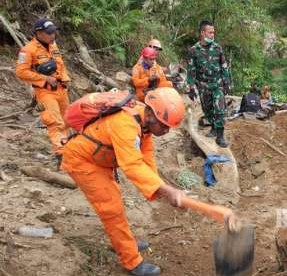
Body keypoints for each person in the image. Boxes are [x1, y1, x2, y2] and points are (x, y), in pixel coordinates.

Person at [61, 88, 186, 276]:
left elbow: (146, 154)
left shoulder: (144, 119)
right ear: (151, 114)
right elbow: (133, 165)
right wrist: (166, 190)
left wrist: (159, 186)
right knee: (111, 209)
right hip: (83, 161)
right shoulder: (125, 124)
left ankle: (124, 243)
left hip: (100, 161)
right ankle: (131, 262)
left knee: (115, 205)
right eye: (164, 126)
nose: (166, 131)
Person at [16, 18, 71, 164]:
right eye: (49, 33)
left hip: (61, 90)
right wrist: (44, 78)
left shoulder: (54, 47)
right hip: (45, 92)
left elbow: (61, 65)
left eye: (54, 32)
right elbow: (21, 72)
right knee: (54, 123)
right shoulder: (28, 50)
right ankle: (61, 155)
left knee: (66, 121)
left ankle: (67, 149)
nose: (53, 36)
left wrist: (65, 78)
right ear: (39, 33)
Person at [187, 20, 232, 148]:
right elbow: (191, 70)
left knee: (219, 109)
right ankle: (213, 127)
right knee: (208, 110)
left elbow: (224, 66)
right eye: (210, 32)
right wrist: (191, 87)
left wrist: (227, 82)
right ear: (202, 33)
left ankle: (220, 135)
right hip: (203, 86)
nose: (213, 35)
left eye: (213, 32)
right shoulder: (194, 50)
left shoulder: (217, 48)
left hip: (217, 85)